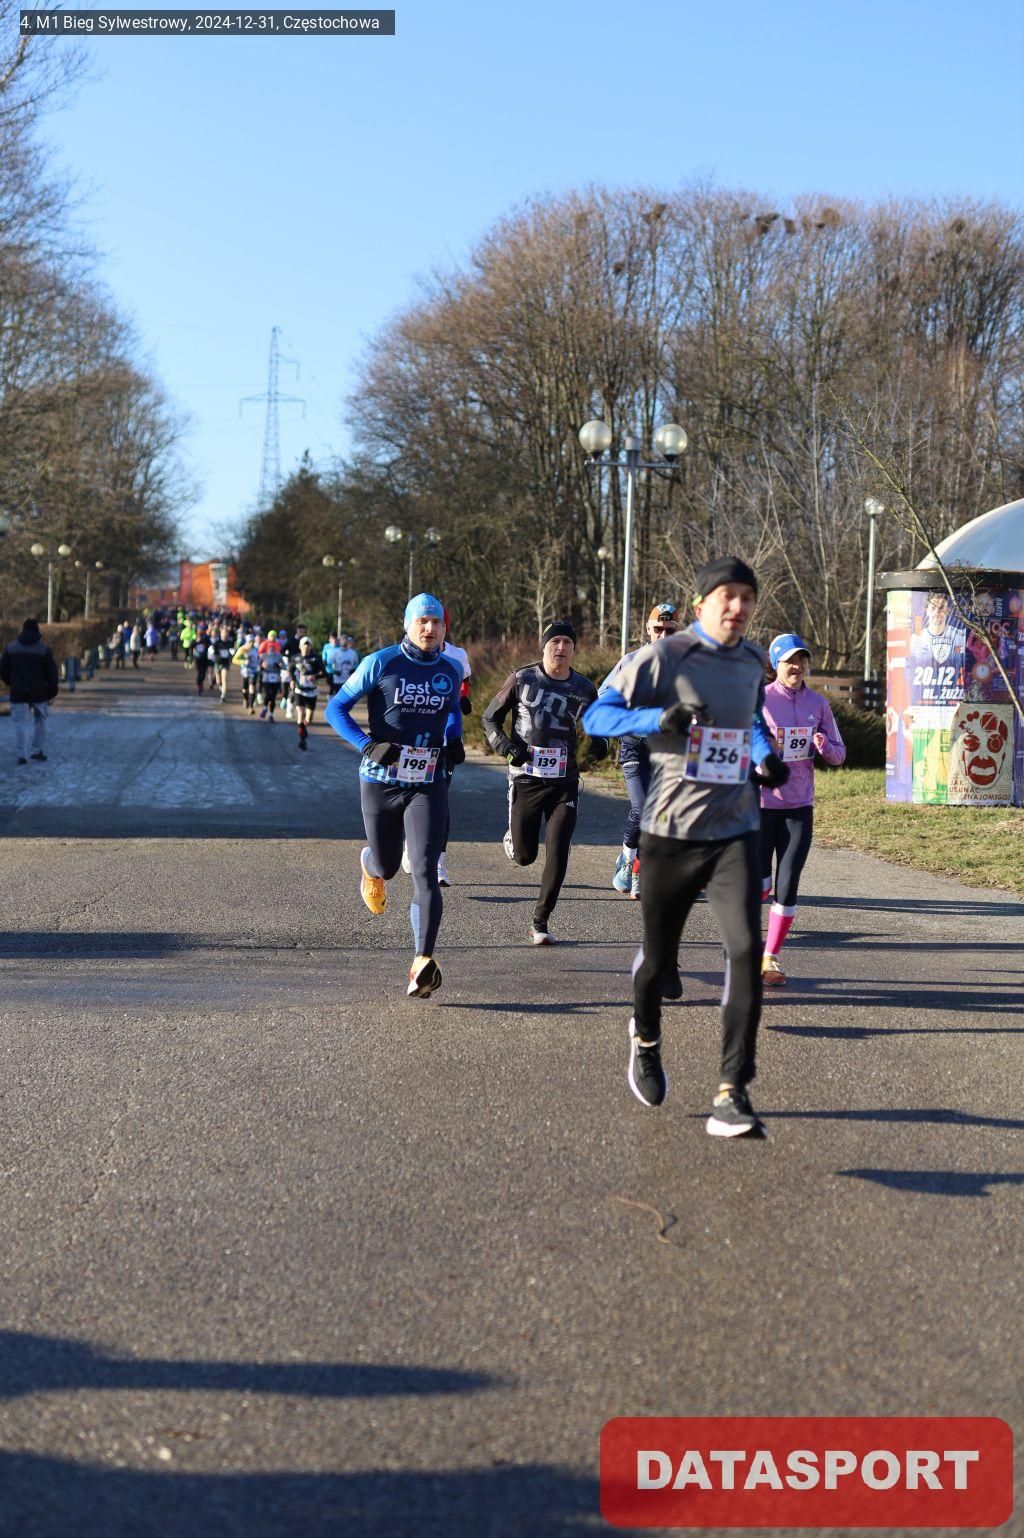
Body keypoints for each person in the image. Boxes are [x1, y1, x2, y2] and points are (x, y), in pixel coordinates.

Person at [582, 557, 787, 1138]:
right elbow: (596, 716)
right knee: (658, 960)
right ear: (701, 605)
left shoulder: (751, 660)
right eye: (727, 596)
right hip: (672, 830)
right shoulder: (664, 656)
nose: (738, 606)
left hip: (735, 828)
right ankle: (645, 1038)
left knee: (745, 950)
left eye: (747, 597)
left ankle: (731, 1092)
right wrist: (660, 717)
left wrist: (764, 756)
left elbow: (749, 721)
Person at [325, 593, 463, 999]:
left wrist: (453, 738)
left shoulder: (451, 668)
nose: (430, 628)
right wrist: (367, 745)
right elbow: (336, 709)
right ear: (408, 624)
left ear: (444, 628)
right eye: (422, 621)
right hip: (380, 780)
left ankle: (422, 961)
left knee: (424, 870)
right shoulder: (381, 662)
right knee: (387, 866)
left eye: (437, 622)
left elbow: (453, 710)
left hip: (428, 781)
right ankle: (370, 864)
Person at [482, 620, 607, 945]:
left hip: (565, 781)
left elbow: (600, 725)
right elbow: (489, 718)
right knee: (525, 856)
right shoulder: (522, 678)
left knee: (558, 850)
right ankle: (514, 838)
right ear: (544, 647)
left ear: (574, 649)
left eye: (567, 642)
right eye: (555, 642)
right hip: (526, 778)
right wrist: (506, 748)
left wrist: (600, 745)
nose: (561, 648)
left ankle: (540, 921)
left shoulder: (583, 688)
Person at [759, 633, 846, 986]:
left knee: (788, 883)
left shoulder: (817, 704)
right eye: (790, 660)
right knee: (760, 885)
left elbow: (839, 755)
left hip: (799, 806)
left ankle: (770, 957)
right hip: (760, 805)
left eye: (802, 659)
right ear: (775, 664)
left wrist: (824, 745)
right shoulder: (759, 700)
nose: (797, 666)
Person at [601, 602, 680, 900]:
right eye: (658, 629)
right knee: (642, 806)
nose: (663, 635)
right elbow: (603, 695)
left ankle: (639, 870)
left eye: (670, 630)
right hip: (634, 744)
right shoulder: (631, 661)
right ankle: (627, 858)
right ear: (648, 629)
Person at [1, 616, 60, 765]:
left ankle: (22, 754)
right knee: (41, 721)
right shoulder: (43, 649)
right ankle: (37, 750)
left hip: (18, 692)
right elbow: (52, 673)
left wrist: (12, 683)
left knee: (21, 723)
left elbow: (3, 670)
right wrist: (52, 692)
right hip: (40, 692)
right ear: (37, 631)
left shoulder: (11, 648)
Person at [290, 635, 324, 749]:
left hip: (312, 691)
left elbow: (323, 672)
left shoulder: (316, 658)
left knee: (308, 719)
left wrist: (315, 676)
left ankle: (303, 729)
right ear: (300, 646)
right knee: (300, 712)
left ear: (311, 647)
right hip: (299, 690)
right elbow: (290, 670)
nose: (306, 647)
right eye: (304, 644)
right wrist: (292, 680)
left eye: (308, 644)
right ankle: (302, 740)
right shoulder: (295, 658)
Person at [210, 625, 234, 702]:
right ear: (220, 634)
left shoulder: (230, 643)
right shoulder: (217, 642)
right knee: (218, 681)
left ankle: (223, 695)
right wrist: (212, 652)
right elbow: (211, 650)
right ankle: (221, 687)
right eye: (223, 633)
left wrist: (232, 652)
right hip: (218, 662)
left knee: (224, 679)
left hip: (225, 663)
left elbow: (232, 651)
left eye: (226, 633)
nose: (224, 634)